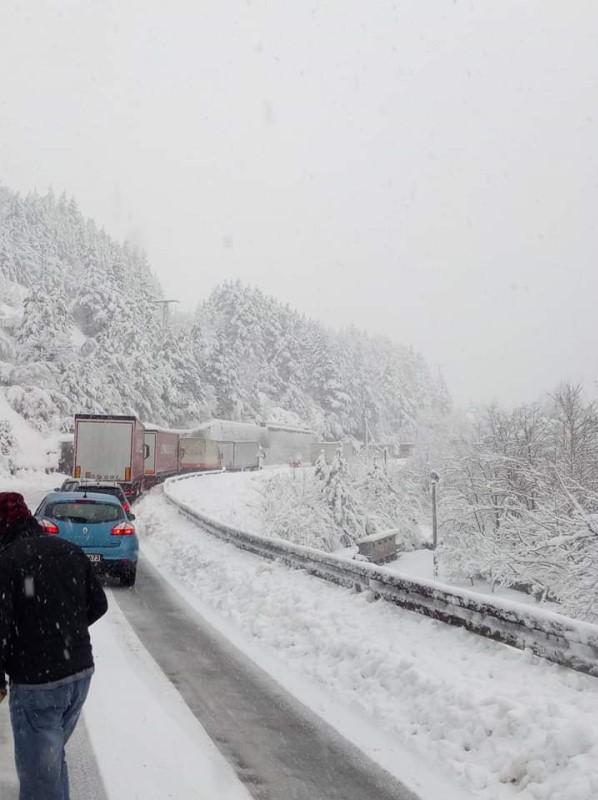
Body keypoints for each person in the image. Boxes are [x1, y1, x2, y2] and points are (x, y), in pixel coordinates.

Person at [0, 491, 108, 800]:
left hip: (39, 685)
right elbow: (98, 604)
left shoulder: (7, 562)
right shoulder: (70, 550)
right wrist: (65, 633)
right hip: (80, 673)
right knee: (51, 761)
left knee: (39, 780)